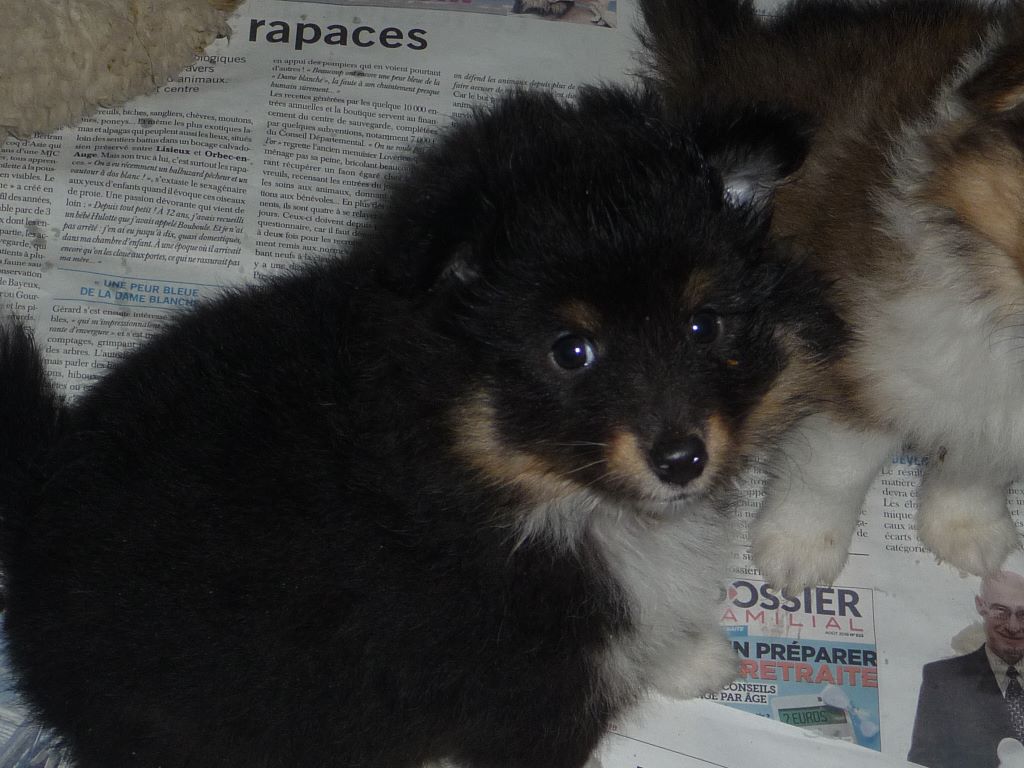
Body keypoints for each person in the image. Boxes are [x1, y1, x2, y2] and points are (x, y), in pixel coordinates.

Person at [909, 567, 1024, 768]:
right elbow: (924, 763)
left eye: (1023, 614)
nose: (1013, 626)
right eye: (1001, 612)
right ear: (981, 606)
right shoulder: (942, 680)